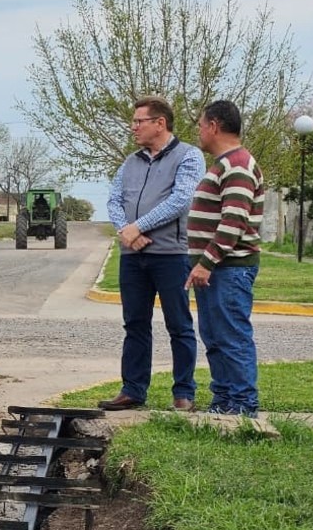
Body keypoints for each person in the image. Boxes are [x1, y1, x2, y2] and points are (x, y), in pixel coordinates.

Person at [98, 96, 206, 412]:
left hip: (171, 255)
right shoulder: (131, 162)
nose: (133, 127)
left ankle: (184, 392)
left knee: (179, 324)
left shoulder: (189, 157)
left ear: (160, 123)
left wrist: (139, 226)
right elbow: (114, 200)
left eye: (138, 121)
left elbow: (182, 200)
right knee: (135, 324)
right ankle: (133, 389)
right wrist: (128, 232)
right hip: (133, 256)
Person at [184, 100, 265, 418]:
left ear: (214, 125)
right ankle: (223, 400)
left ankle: (243, 404)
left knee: (232, 335)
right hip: (215, 269)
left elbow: (233, 221)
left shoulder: (239, 165)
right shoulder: (224, 163)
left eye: (201, 125)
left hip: (229, 270)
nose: (199, 132)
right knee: (215, 336)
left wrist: (206, 262)